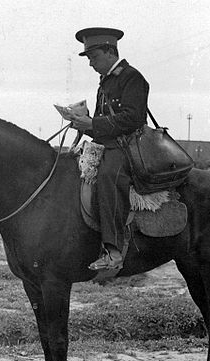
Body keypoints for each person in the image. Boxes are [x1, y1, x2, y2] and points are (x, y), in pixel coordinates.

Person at [70, 27, 150, 271]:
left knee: (108, 176)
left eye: (93, 57)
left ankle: (113, 251)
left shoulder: (132, 77)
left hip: (129, 147)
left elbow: (134, 118)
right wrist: (82, 123)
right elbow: (103, 127)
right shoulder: (104, 82)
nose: (91, 64)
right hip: (109, 144)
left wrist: (92, 123)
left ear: (109, 51)